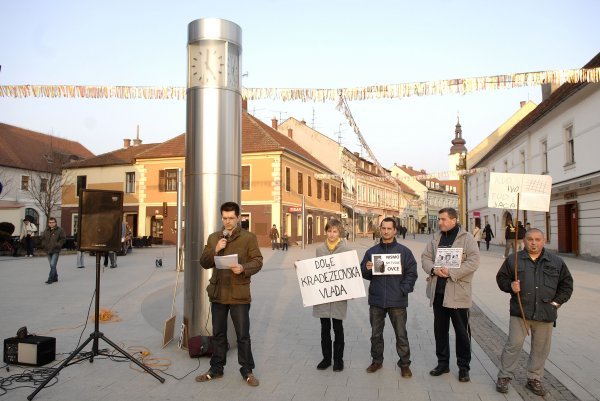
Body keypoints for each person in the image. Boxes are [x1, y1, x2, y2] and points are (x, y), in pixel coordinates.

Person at [495, 228, 573, 396]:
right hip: (520, 311)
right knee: (513, 345)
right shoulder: (514, 260)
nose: (533, 242)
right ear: (524, 240)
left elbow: (567, 284)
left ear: (543, 241)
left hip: (545, 312)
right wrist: (510, 286)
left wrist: (556, 302)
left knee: (540, 348)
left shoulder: (556, 261)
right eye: (530, 239)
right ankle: (504, 376)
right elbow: (501, 278)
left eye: (537, 239)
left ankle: (534, 378)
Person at [196, 202, 263, 387]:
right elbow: (204, 262)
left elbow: (258, 261)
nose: (228, 222)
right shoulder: (213, 238)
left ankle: (247, 370)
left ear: (239, 217)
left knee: (243, 334)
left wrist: (243, 267)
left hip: (239, 294)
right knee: (218, 334)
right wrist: (215, 249)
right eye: (224, 218)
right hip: (218, 293)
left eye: (231, 218)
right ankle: (216, 369)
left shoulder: (248, 238)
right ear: (221, 218)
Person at [421, 207, 480, 383]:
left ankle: (463, 368)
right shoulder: (436, 237)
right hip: (438, 293)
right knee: (440, 331)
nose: (440, 222)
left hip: (458, 293)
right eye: (439, 219)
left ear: (454, 220)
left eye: (443, 219)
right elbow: (425, 257)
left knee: (462, 332)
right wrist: (433, 269)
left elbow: (474, 261)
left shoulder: (467, 238)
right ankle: (443, 363)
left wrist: (452, 272)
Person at [360, 217, 418, 378]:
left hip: (397, 300)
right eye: (383, 228)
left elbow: (412, 272)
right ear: (380, 229)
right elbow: (363, 272)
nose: (385, 231)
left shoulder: (404, 252)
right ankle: (377, 361)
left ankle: (405, 364)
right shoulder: (371, 252)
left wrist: (404, 289)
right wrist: (367, 268)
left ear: (394, 231)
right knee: (376, 334)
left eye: (389, 228)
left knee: (401, 334)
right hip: (377, 299)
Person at [314, 219, 350, 372]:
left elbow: (350, 272)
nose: (332, 234)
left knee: (338, 327)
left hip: (338, 294)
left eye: (335, 231)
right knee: (324, 328)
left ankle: (338, 360)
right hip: (323, 295)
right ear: (326, 231)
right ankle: (326, 358)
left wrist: (352, 289)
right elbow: (315, 269)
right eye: (329, 231)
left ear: (339, 232)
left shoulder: (346, 250)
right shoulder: (320, 249)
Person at [40, 217, 66, 284]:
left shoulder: (60, 230)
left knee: (52, 264)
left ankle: (50, 279)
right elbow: (43, 239)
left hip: (55, 250)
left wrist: (57, 245)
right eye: (50, 222)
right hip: (48, 250)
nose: (51, 224)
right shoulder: (46, 230)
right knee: (52, 265)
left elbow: (63, 239)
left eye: (52, 222)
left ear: (55, 223)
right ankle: (55, 277)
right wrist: (44, 245)